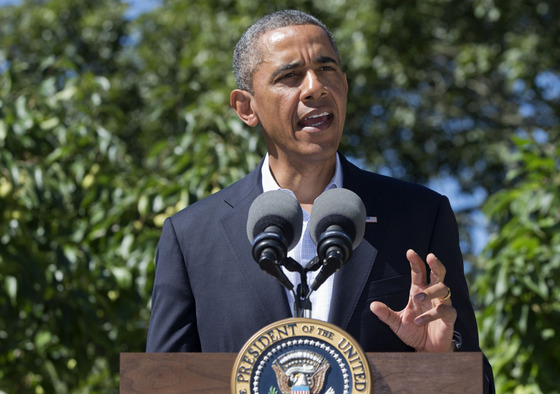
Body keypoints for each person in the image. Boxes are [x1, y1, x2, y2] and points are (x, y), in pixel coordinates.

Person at [146, 9, 494, 392]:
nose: (315, 87)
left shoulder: (420, 215)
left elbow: (477, 381)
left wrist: (438, 361)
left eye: (327, 70)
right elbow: (161, 383)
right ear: (247, 107)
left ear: (344, 86)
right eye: (289, 76)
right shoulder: (192, 235)